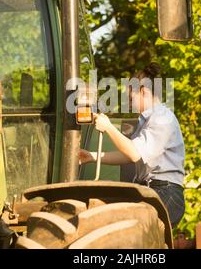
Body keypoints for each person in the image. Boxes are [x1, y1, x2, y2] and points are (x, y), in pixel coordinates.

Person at [79, 63, 185, 227]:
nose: (129, 102)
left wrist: (108, 127)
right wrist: (92, 156)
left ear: (143, 92)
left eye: (130, 97)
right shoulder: (148, 120)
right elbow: (128, 155)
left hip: (166, 193)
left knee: (121, 222)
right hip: (155, 190)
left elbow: (134, 153)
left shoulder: (162, 119)